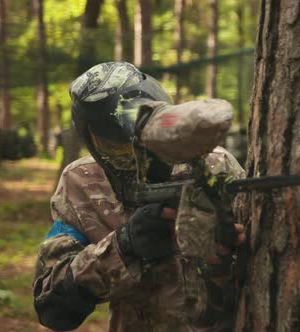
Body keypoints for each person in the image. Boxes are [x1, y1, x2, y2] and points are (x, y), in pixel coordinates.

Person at [32, 62, 246, 331]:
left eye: (142, 142)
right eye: (118, 149)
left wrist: (229, 251)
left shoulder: (215, 166)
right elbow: (52, 306)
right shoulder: (83, 182)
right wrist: (123, 246)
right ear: (92, 140)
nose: (135, 159)